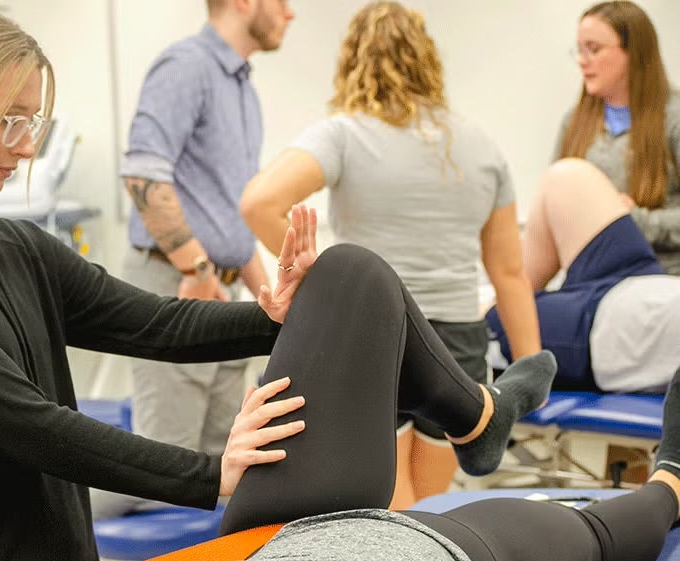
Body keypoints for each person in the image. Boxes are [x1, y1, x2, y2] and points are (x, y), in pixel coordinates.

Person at [0, 5, 316, 561]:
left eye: (32, 123)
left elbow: (154, 323)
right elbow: (30, 425)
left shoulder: (18, 247)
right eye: (10, 121)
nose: (27, 147)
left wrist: (274, 316)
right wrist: (211, 473)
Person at [147, 243, 680, 561]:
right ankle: (670, 478)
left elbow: (147, 322)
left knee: (347, 272)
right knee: (592, 535)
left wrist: (213, 476)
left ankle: (478, 415)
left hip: (251, 558)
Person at [238, 1, 540, 507]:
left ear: (353, 59)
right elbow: (509, 272)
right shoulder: (481, 145)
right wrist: (529, 371)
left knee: (391, 511)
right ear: (428, 59)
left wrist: (325, 285)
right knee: (428, 507)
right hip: (458, 344)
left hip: (380, 337)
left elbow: (259, 203)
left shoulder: (345, 133)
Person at [91, 0, 296, 519]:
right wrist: (197, 271)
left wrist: (263, 291)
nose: (291, 13)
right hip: (178, 282)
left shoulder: (243, 88)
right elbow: (142, 175)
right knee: (165, 469)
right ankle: (22, 517)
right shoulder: (186, 67)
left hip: (217, 289)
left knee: (226, 470)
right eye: (282, 1)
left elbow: (231, 212)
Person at [487, 158, 679, 393]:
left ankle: (486, 312)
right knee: (568, 177)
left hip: (609, 333)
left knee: (493, 320)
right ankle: (503, 295)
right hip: (645, 280)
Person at [554, 0, 679, 276]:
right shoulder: (574, 123)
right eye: (580, 49)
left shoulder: (674, 119)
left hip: (661, 280)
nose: (582, 60)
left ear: (633, 52)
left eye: (594, 49)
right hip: (590, 281)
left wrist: (631, 220)